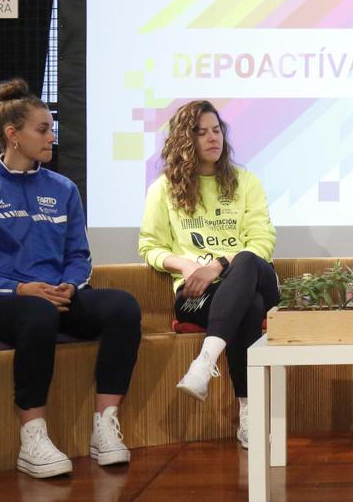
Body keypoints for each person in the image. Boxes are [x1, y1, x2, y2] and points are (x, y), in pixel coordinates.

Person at [0, 79, 141, 478]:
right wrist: (19, 288)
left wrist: (71, 283)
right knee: (37, 313)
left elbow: (79, 256)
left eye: (52, 128)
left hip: (56, 299)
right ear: (12, 136)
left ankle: (105, 426)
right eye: (43, 129)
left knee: (123, 306)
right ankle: (32, 435)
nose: (52, 137)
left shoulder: (64, 189)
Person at [138, 100, 280, 449]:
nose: (212, 138)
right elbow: (149, 246)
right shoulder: (164, 189)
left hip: (252, 274)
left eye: (216, 130)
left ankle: (204, 361)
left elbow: (263, 241)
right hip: (196, 295)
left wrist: (217, 264)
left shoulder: (244, 181)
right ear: (186, 140)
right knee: (249, 305)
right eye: (201, 132)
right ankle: (248, 412)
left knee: (245, 260)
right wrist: (186, 266)